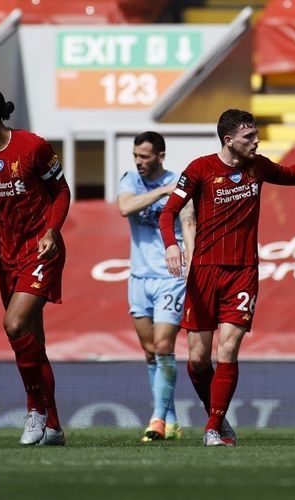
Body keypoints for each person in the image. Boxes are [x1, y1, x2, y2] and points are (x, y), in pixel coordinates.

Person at [159, 109, 295, 446]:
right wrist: (171, 246)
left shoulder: (259, 167)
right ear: (229, 140)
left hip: (242, 273)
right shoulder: (200, 169)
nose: (256, 142)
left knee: (228, 349)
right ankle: (219, 416)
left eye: (256, 136)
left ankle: (212, 428)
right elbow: (168, 212)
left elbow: (293, 175)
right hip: (204, 273)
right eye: (248, 138)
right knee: (198, 358)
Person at [0, 86, 70, 446]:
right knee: (31, 340)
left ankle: (36, 411)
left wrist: (52, 231)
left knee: (15, 323)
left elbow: (62, 193)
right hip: (6, 257)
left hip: (41, 248)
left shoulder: (32, 147)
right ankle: (52, 426)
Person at [118, 131, 195, 442]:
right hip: (138, 278)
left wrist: (190, 260)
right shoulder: (131, 180)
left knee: (164, 346)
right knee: (150, 353)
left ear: (160, 156)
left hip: (170, 276)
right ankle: (172, 419)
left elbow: (189, 220)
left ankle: (158, 420)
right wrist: (163, 191)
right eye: (136, 156)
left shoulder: (183, 183)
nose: (139, 162)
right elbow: (125, 207)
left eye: (145, 157)